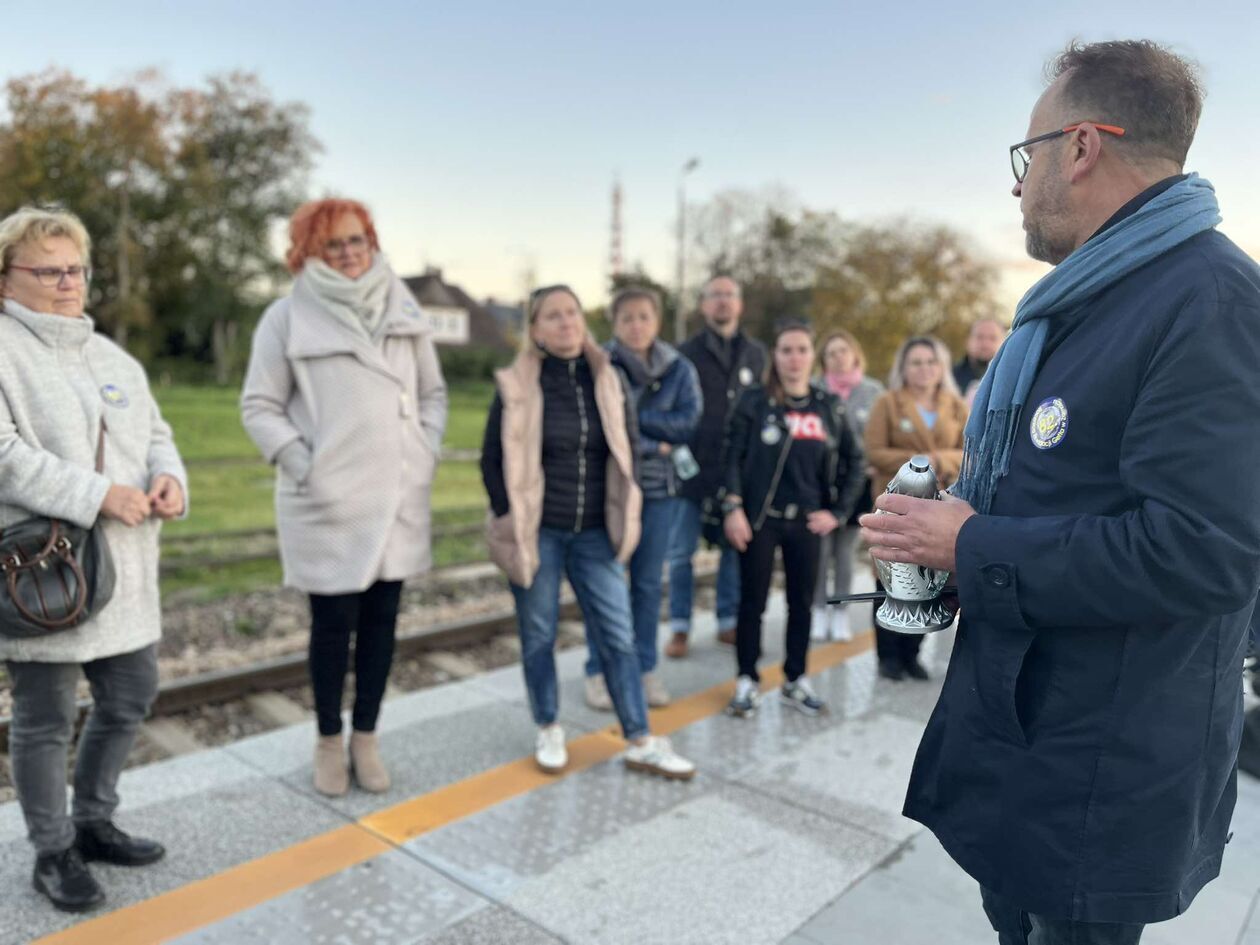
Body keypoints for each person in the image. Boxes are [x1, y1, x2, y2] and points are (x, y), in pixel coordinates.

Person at [861, 40, 1260, 944]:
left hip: (1100, 776)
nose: (1017, 184)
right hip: (1031, 747)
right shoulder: (1087, 300)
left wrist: (969, 544)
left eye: (1027, 152)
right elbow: (1064, 490)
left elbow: (1203, 552)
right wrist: (949, 541)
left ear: (1080, 146)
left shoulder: (1211, 303)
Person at [0, 206, 187, 912]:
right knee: (44, 719)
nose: (67, 282)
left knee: (131, 692)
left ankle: (94, 820)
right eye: (48, 271)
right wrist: (98, 494)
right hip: (45, 576)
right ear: (6, 280)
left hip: (126, 569)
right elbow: (3, 454)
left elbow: (157, 433)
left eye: (75, 269)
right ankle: (53, 852)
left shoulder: (112, 355)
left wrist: (171, 478)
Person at [241, 198, 448, 798]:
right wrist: (306, 466)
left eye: (358, 240)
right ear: (309, 251)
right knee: (332, 627)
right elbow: (259, 406)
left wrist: (423, 449)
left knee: (383, 624)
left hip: (398, 493)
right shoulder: (286, 317)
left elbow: (432, 394)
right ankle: (329, 741)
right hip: (329, 502)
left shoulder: (403, 307)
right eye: (334, 243)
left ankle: (367, 738)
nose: (350, 252)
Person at [480, 284, 695, 780]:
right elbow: (492, 459)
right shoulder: (517, 385)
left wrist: (629, 503)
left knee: (618, 635)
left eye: (572, 313)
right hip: (538, 532)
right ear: (535, 330)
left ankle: (640, 739)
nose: (565, 323)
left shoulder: (608, 378)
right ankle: (548, 725)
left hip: (596, 533)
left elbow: (628, 447)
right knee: (539, 633)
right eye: (552, 316)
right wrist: (508, 515)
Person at [721, 322, 864, 718]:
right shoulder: (754, 401)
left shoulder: (828, 406)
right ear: (775, 355)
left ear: (812, 356)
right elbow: (730, 456)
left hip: (806, 522)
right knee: (752, 602)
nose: (794, 358)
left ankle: (795, 679)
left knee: (801, 603)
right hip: (760, 519)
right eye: (786, 350)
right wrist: (733, 507)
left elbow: (855, 461)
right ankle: (746, 679)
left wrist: (838, 512)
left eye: (802, 350)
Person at [584, 286, 702, 711]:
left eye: (644, 317)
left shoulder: (679, 368)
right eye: (627, 318)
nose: (636, 326)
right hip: (610, 489)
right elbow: (598, 423)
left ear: (657, 321)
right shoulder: (598, 364)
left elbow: (687, 423)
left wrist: (633, 424)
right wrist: (656, 441)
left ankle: (645, 668)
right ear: (614, 323)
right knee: (606, 584)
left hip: (659, 492)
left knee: (649, 584)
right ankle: (598, 671)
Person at [666, 276, 766, 658]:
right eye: (715, 296)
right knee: (681, 554)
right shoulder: (683, 354)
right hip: (691, 471)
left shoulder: (756, 354)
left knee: (732, 550)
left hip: (737, 470)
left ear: (739, 304)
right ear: (703, 304)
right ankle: (679, 627)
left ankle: (727, 620)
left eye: (729, 295)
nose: (723, 302)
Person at [864, 335, 967, 681]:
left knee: (929, 579)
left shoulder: (955, 406)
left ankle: (912, 653)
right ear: (904, 368)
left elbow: (969, 451)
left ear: (941, 367)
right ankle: (888, 656)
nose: (924, 369)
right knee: (890, 578)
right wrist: (919, 461)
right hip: (895, 506)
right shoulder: (887, 403)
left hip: (939, 507)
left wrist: (939, 460)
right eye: (916, 362)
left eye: (930, 362)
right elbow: (875, 452)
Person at [811, 330, 885, 642]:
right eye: (831, 353)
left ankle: (840, 610)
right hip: (820, 483)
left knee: (844, 551)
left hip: (857, 483)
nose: (838, 358)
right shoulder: (814, 390)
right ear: (823, 360)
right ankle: (818, 608)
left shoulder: (873, 391)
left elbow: (877, 435)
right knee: (819, 551)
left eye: (843, 351)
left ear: (855, 355)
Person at [951, 318, 1006, 403]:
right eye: (979, 337)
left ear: (1004, 342)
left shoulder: (1013, 378)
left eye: (993, 338)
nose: (985, 344)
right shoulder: (949, 378)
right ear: (968, 341)